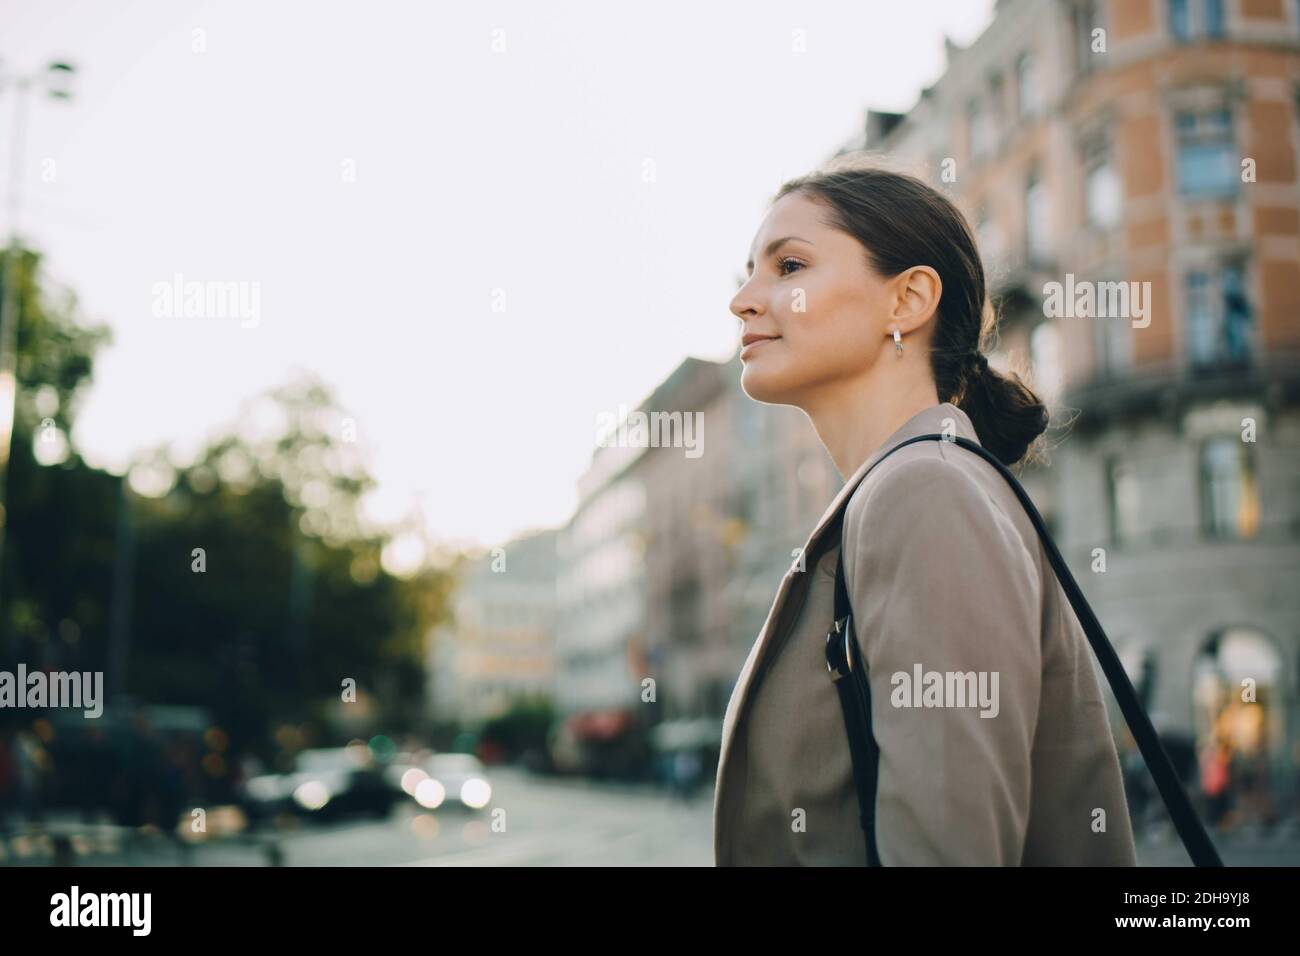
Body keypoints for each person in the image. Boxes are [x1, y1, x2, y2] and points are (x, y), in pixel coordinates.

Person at [713, 159, 1138, 865]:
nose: (744, 300)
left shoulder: (925, 491)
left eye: (789, 266)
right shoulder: (911, 486)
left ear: (907, 299)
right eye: (748, 271)